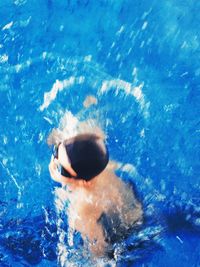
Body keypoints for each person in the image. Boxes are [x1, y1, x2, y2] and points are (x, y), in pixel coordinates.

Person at [48, 131, 143, 258]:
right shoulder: (100, 162)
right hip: (132, 203)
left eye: (62, 169)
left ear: (84, 182)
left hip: (126, 239)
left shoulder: (83, 209)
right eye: (56, 150)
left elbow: (98, 256)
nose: (54, 162)